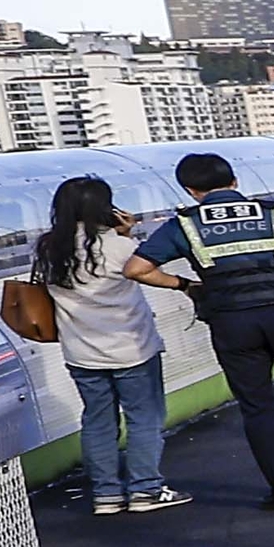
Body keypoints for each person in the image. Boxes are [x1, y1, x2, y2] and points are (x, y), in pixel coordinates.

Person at [127, 152, 274, 513]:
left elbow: (136, 268)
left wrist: (185, 285)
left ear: (191, 191)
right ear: (235, 182)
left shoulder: (186, 225)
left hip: (232, 323)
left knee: (257, 407)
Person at [35, 175, 188, 518]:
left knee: (98, 422)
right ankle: (144, 490)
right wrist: (127, 235)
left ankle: (106, 495)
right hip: (132, 347)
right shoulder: (118, 246)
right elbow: (143, 270)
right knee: (144, 419)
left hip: (82, 352)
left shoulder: (49, 248)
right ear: (105, 208)